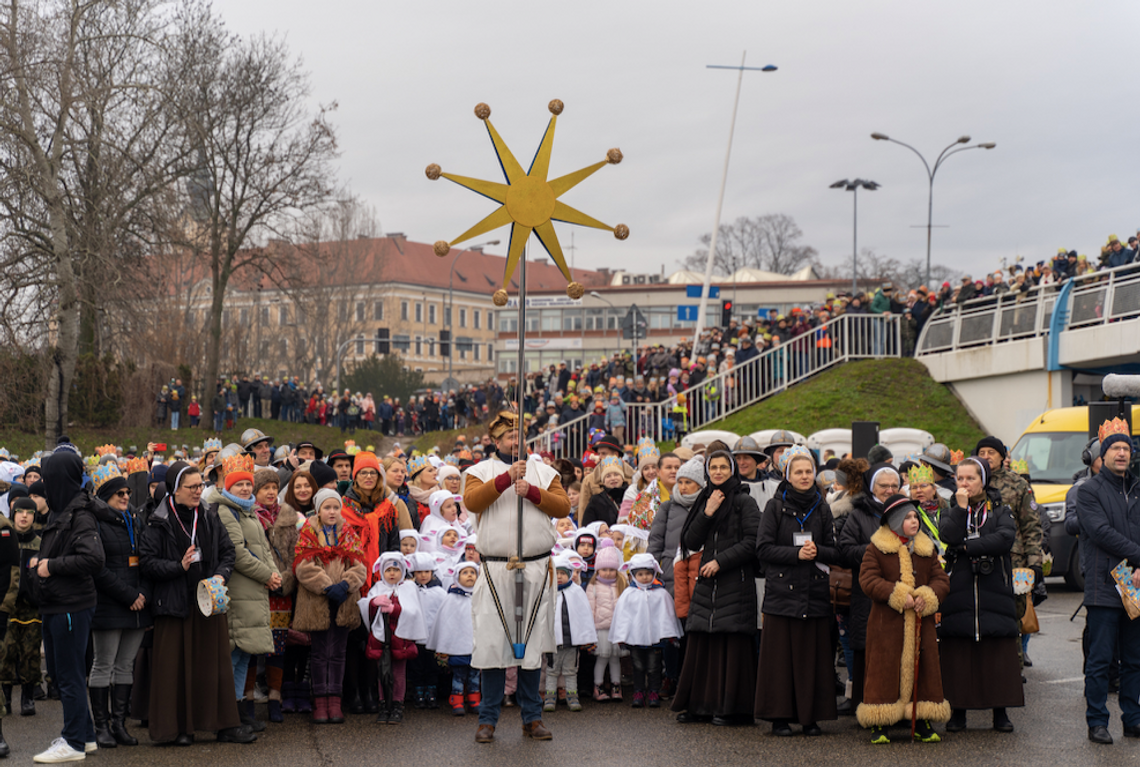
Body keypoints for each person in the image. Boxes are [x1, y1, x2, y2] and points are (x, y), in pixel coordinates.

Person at [462, 412, 571, 744]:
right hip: (496, 568)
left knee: (532, 646)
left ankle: (532, 718)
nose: (515, 441)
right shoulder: (478, 472)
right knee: (494, 644)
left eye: (519, 436)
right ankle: (488, 718)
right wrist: (506, 479)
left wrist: (533, 491)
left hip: (536, 568)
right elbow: (471, 501)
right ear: (496, 442)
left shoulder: (544, 471)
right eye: (509, 436)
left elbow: (563, 507)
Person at [139, 460, 254, 746]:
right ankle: (178, 729)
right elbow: (148, 563)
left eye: (200, 486)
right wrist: (178, 567)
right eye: (192, 487)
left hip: (207, 602)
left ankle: (223, 725)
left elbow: (228, 552)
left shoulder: (208, 515)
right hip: (174, 604)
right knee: (174, 670)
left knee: (213, 667)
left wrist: (219, 576)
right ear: (175, 490)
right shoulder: (158, 520)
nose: (198, 491)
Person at [671, 444, 761, 726]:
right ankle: (700, 707)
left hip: (735, 580)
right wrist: (707, 512)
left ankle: (732, 709)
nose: (719, 472)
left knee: (730, 646)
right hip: (707, 584)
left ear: (732, 469)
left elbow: (753, 541)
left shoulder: (744, 501)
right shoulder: (704, 499)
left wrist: (721, 561)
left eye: (724, 467)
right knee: (703, 644)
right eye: (713, 468)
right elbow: (690, 542)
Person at [754, 446, 839, 736]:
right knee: (780, 660)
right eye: (798, 472)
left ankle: (809, 717)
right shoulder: (774, 507)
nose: (804, 476)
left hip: (814, 593)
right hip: (782, 593)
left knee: (812, 659)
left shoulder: (823, 506)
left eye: (808, 471)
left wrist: (818, 552)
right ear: (787, 476)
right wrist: (795, 554)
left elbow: (834, 551)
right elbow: (763, 549)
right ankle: (780, 717)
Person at [856, 495, 950, 744]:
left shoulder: (925, 548)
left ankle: (921, 720)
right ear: (896, 521)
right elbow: (868, 580)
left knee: (925, 669)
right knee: (883, 670)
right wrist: (898, 595)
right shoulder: (877, 548)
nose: (914, 521)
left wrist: (927, 596)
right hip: (886, 624)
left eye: (915, 517)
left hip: (922, 623)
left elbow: (940, 579)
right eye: (907, 517)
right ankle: (880, 722)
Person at [938, 456, 1023, 733]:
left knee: (996, 651)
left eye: (970, 478)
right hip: (960, 590)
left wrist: (965, 549)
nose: (964, 484)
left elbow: (1003, 539)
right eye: (960, 479)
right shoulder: (953, 508)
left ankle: (1001, 713)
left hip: (993, 590)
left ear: (982, 480)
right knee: (959, 652)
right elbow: (948, 535)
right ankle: (958, 713)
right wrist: (961, 510)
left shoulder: (999, 509)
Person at [33, 451, 107, 763]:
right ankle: (86, 736)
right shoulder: (63, 510)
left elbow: (93, 559)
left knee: (68, 676)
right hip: (58, 603)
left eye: (47, 479)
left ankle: (73, 742)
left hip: (70, 606)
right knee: (67, 674)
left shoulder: (81, 514)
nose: (44, 486)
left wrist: (51, 565)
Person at [1076, 419, 1140, 745]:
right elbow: (1101, 533)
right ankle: (1097, 721)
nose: (1121, 453)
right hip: (1104, 585)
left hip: (1134, 584)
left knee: (1134, 659)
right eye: (1115, 448)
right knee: (1101, 660)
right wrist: (1139, 559)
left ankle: (1133, 719)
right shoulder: (1089, 491)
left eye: (1126, 448)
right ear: (1103, 453)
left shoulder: (1138, 489)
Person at [211, 454, 281, 735]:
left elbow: (263, 548)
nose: (244, 488)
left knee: (243, 654)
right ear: (227, 486)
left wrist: (274, 572)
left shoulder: (248, 510)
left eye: (247, 484)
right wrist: (267, 575)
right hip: (238, 589)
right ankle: (227, 716)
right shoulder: (225, 511)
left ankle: (240, 710)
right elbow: (237, 553)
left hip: (253, 590)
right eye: (238, 484)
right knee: (233, 652)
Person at [89, 464, 151, 748]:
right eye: (118, 493)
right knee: (103, 665)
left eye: (126, 492)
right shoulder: (96, 522)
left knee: (126, 665)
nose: (125, 497)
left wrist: (142, 594)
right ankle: (100, 727)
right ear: (106, 495)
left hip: (136, 605)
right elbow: (98, 569)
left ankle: (119, 725)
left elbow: (147, 560)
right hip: (110, 605)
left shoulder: (135, 520)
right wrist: (129, 595)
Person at [293, 489, 367, 724]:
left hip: (343, 601)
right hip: (318, 601)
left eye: (336, 507)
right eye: (327, 507)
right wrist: (326, 586)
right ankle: (320, 700)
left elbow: (359, 566)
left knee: (338, 652)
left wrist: (345, 584)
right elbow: (303, 566)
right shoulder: (308, 531)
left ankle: (335, 700)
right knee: (319, 653)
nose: (332, 512)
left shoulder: (347, 532)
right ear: (318, 510)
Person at [839, 462, 900, 707]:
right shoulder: (859, 515)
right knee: (869, 648)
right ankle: (868, 706)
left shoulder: (906, 512)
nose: (889, 489)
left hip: (899, 594)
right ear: (872, 487)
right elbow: (844, 550)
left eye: (894, 485)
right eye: (883, 485)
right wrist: (877, 550)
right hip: (867, 595)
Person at [359, 551, 427, 724]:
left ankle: (397, 704)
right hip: (382, 640)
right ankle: (384, 703)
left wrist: (395, 609)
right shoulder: (378, 588)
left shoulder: (408, 588)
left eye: (395, 570)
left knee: (398, 673)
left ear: (403, 571)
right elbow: (366, 605)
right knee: (383, 672)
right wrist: (374, 603)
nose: (392, 573)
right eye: (388, 569)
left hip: (400, 640)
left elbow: (413, 611)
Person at [610, 553, 682, 708]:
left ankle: (653, 691)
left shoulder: (661, 594)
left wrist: (669, 635)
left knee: (654, 667)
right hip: (635, 640)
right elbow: (623, 616)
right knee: (638, 666)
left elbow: (667, 616)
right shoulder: (628, 594)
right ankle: (638, 692)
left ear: (654, 573)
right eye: (640, 574)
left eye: (648, 573)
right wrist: (622, 636)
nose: (644, 577)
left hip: (655, 641)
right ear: (634, 575)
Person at [2, 499, 41, 722]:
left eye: (29, 512)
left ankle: (28, 697)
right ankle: (6, 697)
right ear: (13, 513)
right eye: (20, 512)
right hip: (8, 606)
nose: (24, 516)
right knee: (6, 652)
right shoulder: (6, 540)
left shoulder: (40, 544)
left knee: (31, 653)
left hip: (32, 609)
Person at [426, 561, 481, 716]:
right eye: (465, 573)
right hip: (457, 648)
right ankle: (457, 700)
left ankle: (474, 700)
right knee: (458, 675)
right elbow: (446, 624)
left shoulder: (481, 597)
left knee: (475, 675)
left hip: (476, 647)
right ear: (457, 577)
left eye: (473, 572)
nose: (469, 575)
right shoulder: (451, 598)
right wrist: (445, 647)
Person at [543, 552, 597, 712]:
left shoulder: (577, 591)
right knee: (551, 672)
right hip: (553, 643)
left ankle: (572, 697)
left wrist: (587, 637)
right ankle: (550, 699)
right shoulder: (547, 592)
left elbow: (584, 615)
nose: (559, 577)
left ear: (569, 574)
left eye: (563, 573)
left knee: (571, 671)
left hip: (572, 644)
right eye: (556, 573)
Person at [586, 542, 626, 702]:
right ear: (598, 570)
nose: (608, 573)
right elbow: (590, 609)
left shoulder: (622, 585)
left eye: (611, 569)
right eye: (604, 569)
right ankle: (598, 685)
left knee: (615, 659)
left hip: (616, 629)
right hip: (600, 629)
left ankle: (616, 685)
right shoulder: (593, 587)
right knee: (602, 658)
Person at [582, 458, 627, 529]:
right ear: (603, 481)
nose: (613, 478)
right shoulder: (596, 500)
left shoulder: (631, 495)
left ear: (622, 478)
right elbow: (587, 526)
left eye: (616, 474)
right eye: (608, 476)